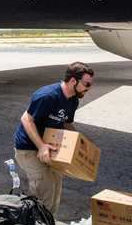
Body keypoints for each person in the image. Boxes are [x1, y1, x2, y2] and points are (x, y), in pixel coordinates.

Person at [13, 62, 94, 216]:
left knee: (56, 184)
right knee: (45, 188)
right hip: (29, 148)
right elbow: (26, 119)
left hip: (49, 147)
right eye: (86, 84)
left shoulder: (73, 100)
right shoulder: (48, 95)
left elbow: (67, 124)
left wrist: (82, 144)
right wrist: (41, 146)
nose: (89, 88)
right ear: (72, 81)